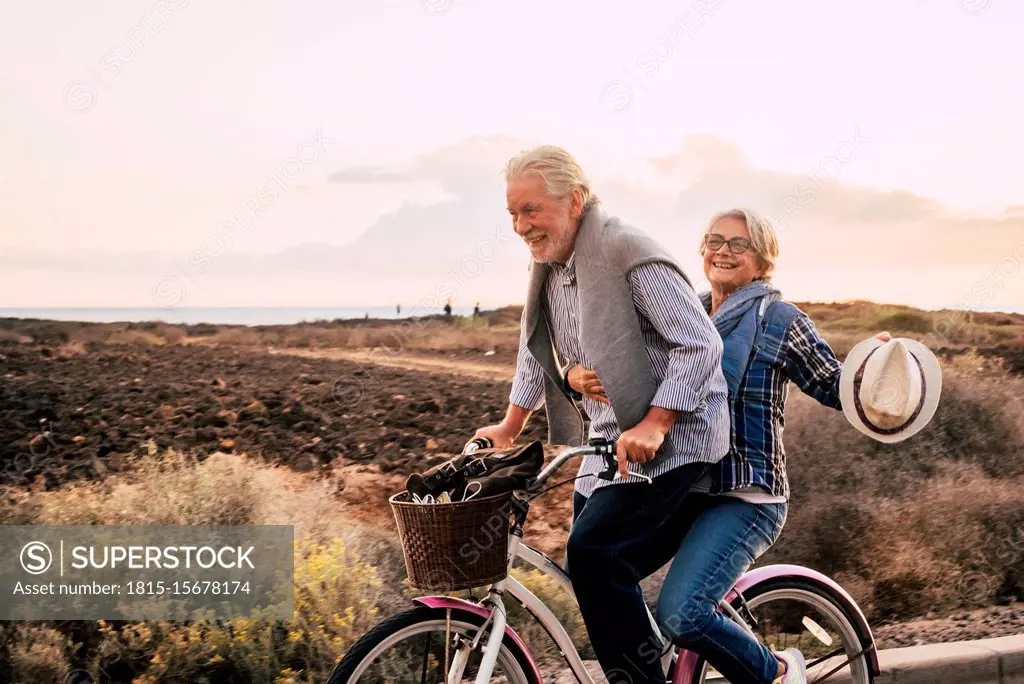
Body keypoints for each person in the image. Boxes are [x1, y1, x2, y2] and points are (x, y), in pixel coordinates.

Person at [567, 208, 890, 684]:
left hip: (745, 496)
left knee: (681, 612)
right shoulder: (684, 312)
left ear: (762, 260)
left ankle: (778, 672)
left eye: (738, 244)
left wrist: (874, 368)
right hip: (683, 485)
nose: (722, 251)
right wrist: (576, 376)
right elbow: (627, 368)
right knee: (602, 565)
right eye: (714, 240)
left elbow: (833, 385)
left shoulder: (779, 318)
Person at [469, 145, 731, 684]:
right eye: (513, 213)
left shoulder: (623, 249)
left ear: (576, 200)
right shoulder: (550, 266)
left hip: (678, 438)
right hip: (610, 440)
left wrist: (657, 421)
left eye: (531, 210)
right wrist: (510, 425)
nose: (521, 225)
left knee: (593, 555)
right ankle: (644, 664)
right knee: (594, 567)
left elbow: (700, 344)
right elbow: (533, 347)